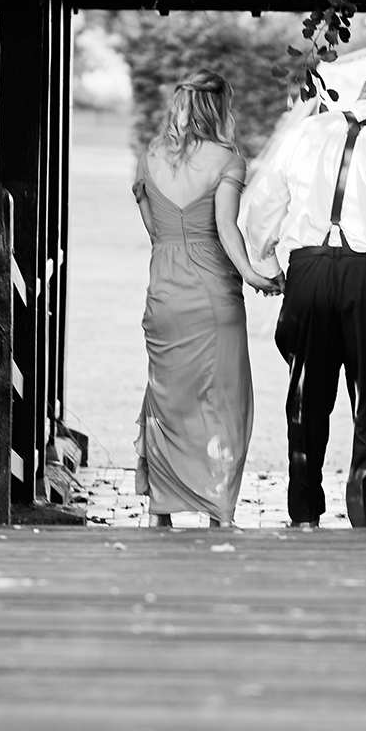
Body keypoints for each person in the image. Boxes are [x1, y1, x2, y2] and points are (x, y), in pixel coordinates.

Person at [238, 69, 366, 528]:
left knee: (306, 396)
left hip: (309, 272)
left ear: (363, 96)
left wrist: (269, 265)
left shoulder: (308, 132)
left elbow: (264, 206)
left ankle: (304, 513)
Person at [132, 69, 280, 528]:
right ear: (218, 109)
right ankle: (218, 509)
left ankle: (162, 510)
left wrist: (177, 245)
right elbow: (225, 229)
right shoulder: (227, 161)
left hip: (165, 291)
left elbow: (154, 228)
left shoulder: (151, 156)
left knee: (167, 397)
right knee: (224, 402)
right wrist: (253, 274)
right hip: (212, 295)